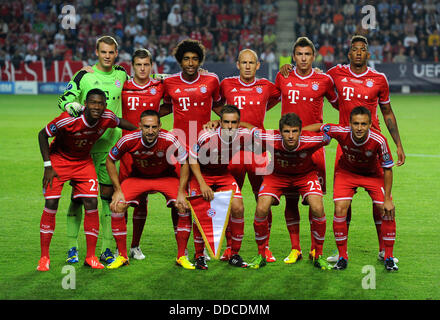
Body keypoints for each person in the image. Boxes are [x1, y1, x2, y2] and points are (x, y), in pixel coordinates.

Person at [280, 35, 405, 263]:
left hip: (372, 144)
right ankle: (340, 252)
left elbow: (387, 112)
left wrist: (397, 144)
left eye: (362, 50)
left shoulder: (379, 78)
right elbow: (314, 77)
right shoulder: (335, 74)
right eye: (354, 49)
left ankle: (384, 251)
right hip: (345, 143)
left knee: (381, 202)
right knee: (341, 203)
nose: (358, 53)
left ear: (368, 54)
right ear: (349, 54)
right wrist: (290, 67)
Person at [37, 88, 137, 271]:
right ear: (85, 104)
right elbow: (42, 134)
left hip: (83, 162)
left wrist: (139, 131)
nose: (96, 107)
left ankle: (90, 257)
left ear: (105, 105)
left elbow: (120, 122)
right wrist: (47, 166)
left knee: (91, 202)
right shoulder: (68, 119)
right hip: (59, 161)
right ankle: (44, 257)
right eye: (92, 102)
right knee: (51, 205)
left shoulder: (107, 117)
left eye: (100, 103)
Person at [58, 36, 129, 265]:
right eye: (103, 52)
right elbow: (65, 99)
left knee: (108, 200)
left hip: (110, 150)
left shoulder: (121, 74)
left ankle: (106, 249)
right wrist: (73, 107)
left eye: (111, 52)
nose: (107, 56)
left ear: (116, 53)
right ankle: (72, 247)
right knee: (78, 198)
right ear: (97, 52)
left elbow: (147, 79)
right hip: (84, 149)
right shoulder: (84, 75)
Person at [207, 48, 280, 262]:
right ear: (237, 64)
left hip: (257, 149)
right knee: (228, 199)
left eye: (251, 63)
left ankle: (264, 247)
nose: (247, 66)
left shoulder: (266, 86)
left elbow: (276, 97)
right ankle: (230, 246)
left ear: (258, 65)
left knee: (262, 199)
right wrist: (221, 120)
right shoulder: (226, 84)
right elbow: (216, 103)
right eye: (243, 62)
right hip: (232, 149)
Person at [275, 37, 338, 264]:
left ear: (314, 57)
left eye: (307, 55)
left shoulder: (324, 79)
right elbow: (267, 99)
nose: (303, 58)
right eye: (299, 54)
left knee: (314, 201)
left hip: (313, 148)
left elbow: (340, 104)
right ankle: (295, 249)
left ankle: (315, 249)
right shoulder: (283, 76)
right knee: (291, 199)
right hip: (288, 146)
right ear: (293, 57)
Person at [105, 110, 194, 270]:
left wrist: (181, 192)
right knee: (117, 206)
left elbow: (185, 162)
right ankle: (122, 256)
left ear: (160, 126)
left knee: (184, 206)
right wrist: (117, 189)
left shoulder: (170, 139)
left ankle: (182, 256)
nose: (150, 131)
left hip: (165, 177)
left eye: (154, 127)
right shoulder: (128, 139)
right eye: (146, 127)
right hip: (138, 177)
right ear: (139, 126)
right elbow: (110, 159)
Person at [160, 39, 223, 262]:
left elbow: (219, 106)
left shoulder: (212, 80)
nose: (190, 63)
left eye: (195, 59)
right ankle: (182, 247)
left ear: (200, 61)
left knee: (201, 199)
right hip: (178, 148)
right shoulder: (168, 83)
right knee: (179, 200)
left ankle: (201, 248)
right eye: (186, 59)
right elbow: (166, 106)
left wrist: (220, 120)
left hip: (204, 151)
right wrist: (150, 119)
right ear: (179, 61)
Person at [245, 112, 332, 270]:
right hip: (277, 176)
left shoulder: (312, 140)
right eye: (286, 131)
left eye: (294, 131)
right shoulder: (270, 137)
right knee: (261, 208)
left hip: (305, 176)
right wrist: (219, 122)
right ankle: (261, 254)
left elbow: (328, 132)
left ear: (300, 131)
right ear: (280, 132)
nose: (291, 136)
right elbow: (251, 129)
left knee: (318, 208)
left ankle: (318, 255)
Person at [319, 107, 398, 271]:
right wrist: (299, 133)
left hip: (373, 175)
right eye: (356, 123)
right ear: (350, 124)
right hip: (347, 173)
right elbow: (320, 126)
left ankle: (388, 256)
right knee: (340, 208)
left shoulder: (379, 140)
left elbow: (388, 169)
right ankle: (342, 257)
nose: (359, 127)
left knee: (386, 209)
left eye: (363, 124)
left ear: (370, 124)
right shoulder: (341, 131)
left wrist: (388, 198)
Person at [186, 105, 250, 269]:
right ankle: (200, 255)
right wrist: (202, 184)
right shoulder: (206, 135)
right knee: (198, 211)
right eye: (226, 122)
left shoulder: (242, 134)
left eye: (234, 123)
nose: (229, 126)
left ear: (239, 123)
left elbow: (257, 131)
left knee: (238, 208)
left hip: (223, 175)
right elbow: (192, 159)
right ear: (220, 122)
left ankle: (234, 254)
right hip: (202, 174)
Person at [119, 48, 166, 261]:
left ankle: (135, 245)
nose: (143, 68)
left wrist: (155, 116)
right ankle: (117, 246)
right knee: (123, 200)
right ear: (132, 66)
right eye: (139, 65)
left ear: (152, 66)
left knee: (143, 199)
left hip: (149, 150)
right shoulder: (124, 85)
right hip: (127, 151)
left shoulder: (159, 85)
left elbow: (175, 96)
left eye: (146, 65)